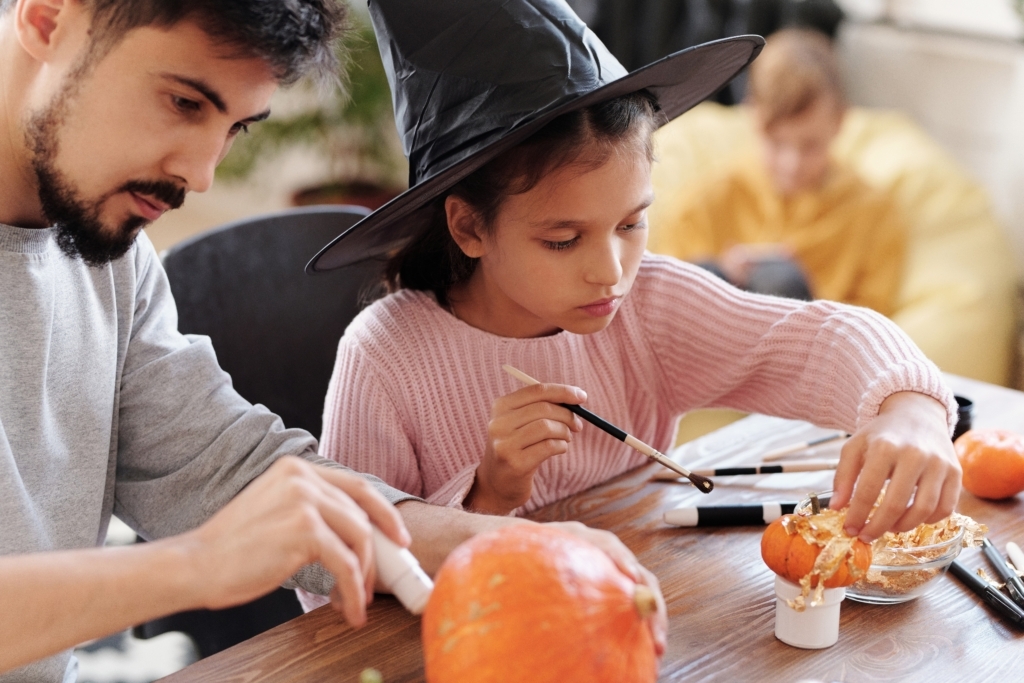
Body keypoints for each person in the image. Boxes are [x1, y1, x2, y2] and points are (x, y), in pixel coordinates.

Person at [0, 1, 665, 679]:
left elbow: (227, 469)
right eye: (182, 102)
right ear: (49, 17)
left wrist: (513, 544)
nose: (201, 174)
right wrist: (197, 566)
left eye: (234, 128)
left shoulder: (112, 256)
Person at [302, 0, 961, 608]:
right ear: (470, 227)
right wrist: (488, 495)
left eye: (631, 224)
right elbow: (337, 574)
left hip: (639, 610)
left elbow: (818, 339)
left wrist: (913, 411)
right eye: (563, 240)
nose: (611, 273)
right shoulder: (385, 356)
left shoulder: (650, 305)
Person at [652, 28, 908, 316]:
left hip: (817, 350)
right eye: (776, 143)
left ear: (839, 121)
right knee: (709, 274)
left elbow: (876, 327)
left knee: (782, 282)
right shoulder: (704, 204)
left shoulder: (874, 214)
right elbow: (666, 309)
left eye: (810, 145)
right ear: (752, 116)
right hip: (716, 344)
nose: (792, 164)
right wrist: (726, 279)